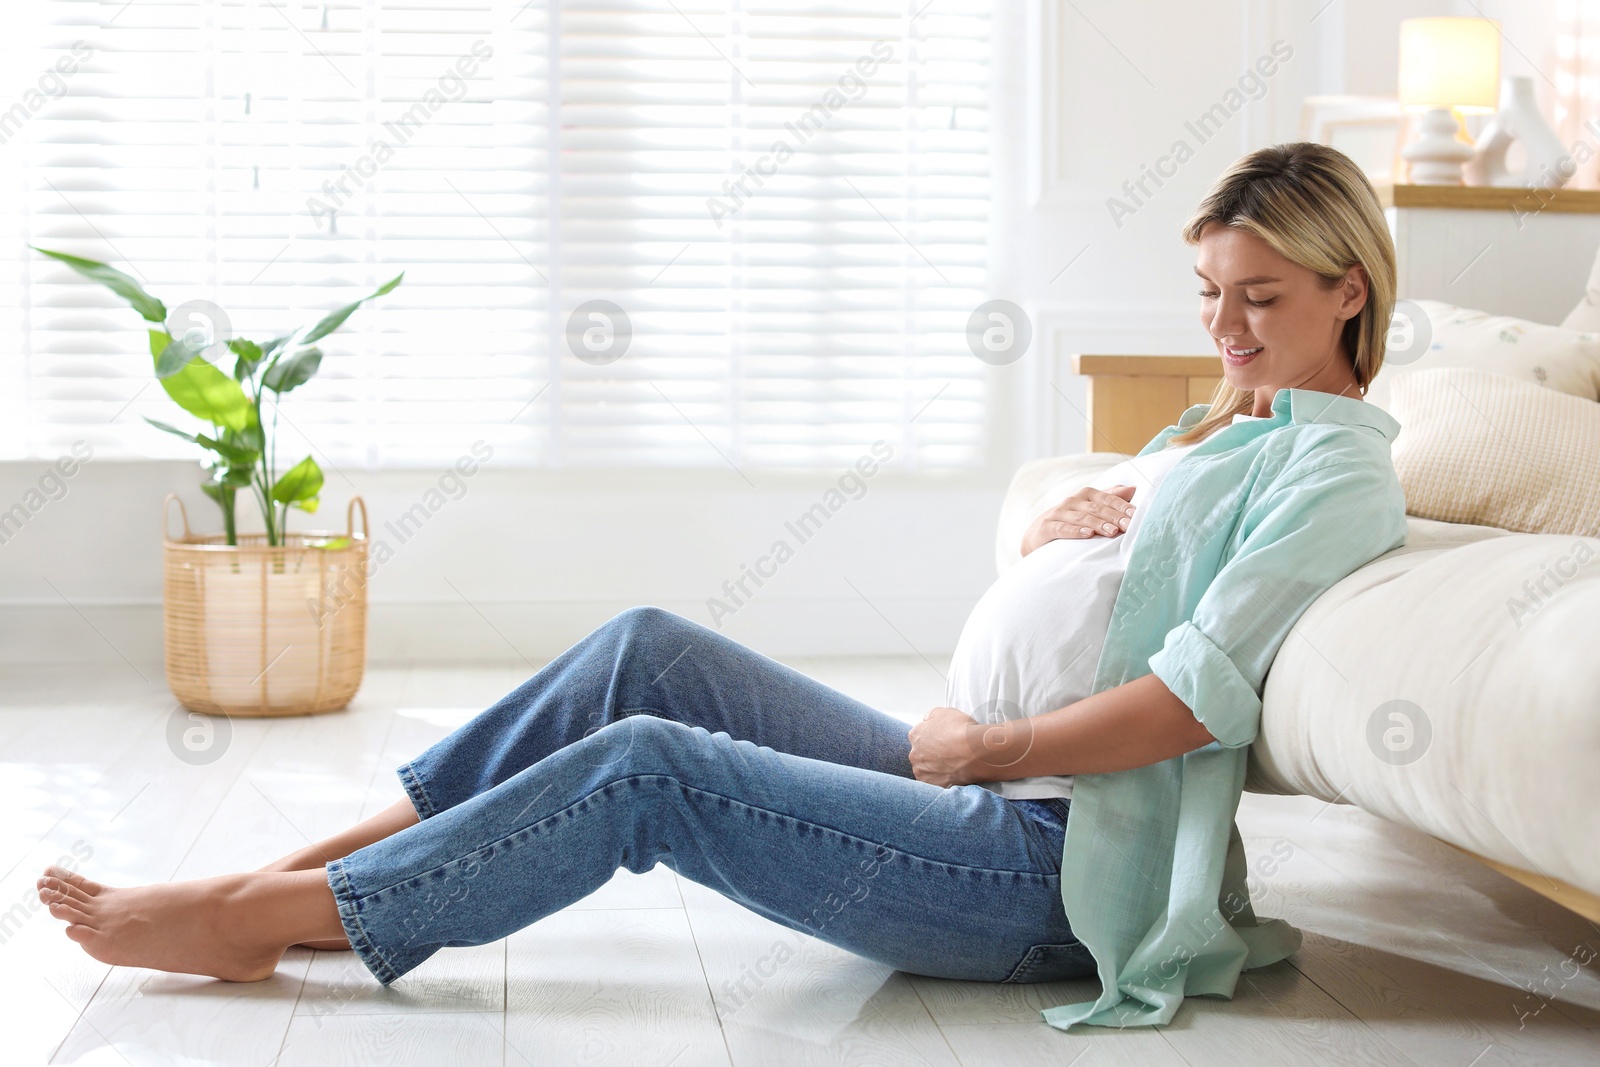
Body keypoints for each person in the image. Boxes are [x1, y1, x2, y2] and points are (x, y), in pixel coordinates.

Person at [36, 141, 1408, 1030]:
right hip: (974, 782)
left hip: (1049, 868)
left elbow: (1186, 702)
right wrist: (1070, 524)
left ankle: (259, 921)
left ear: (1350, 292)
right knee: (644, 650)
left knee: (648, 768)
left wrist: (997, 741)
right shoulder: (1230, 425)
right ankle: (290, 874)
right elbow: (1128, 590)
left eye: (1261, 300)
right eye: (1207, 296)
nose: (1223, 331)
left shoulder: (1338, 469)